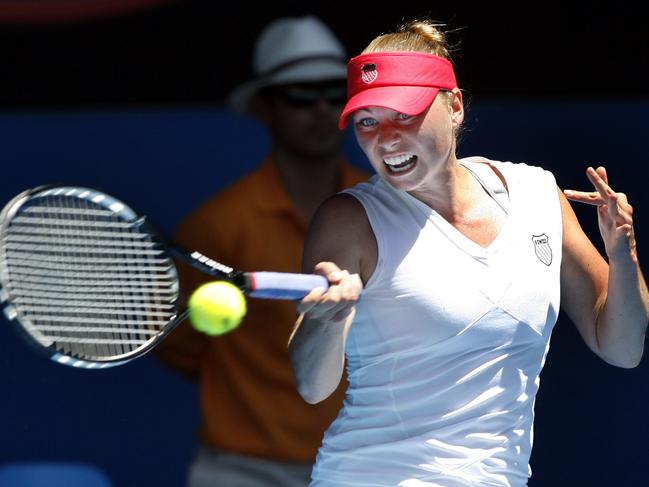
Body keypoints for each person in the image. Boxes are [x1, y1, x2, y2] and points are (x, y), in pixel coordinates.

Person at [288, 19, 649, 487]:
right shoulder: (349, 221)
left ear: (454, 106)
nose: (386, 138)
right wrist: (325, 320)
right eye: (367, 121)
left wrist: (625, 255)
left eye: (404, 114)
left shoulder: (538, 194)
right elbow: (313, 388)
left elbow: (622, 348)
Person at [156, 16, 368, 487]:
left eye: (335, 93)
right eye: (299, 94)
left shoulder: (385, 211)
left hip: (365, 463)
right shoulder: (217, 226)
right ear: (264, 108)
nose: (319, 108)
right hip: (242, 470)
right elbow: (180, 347)